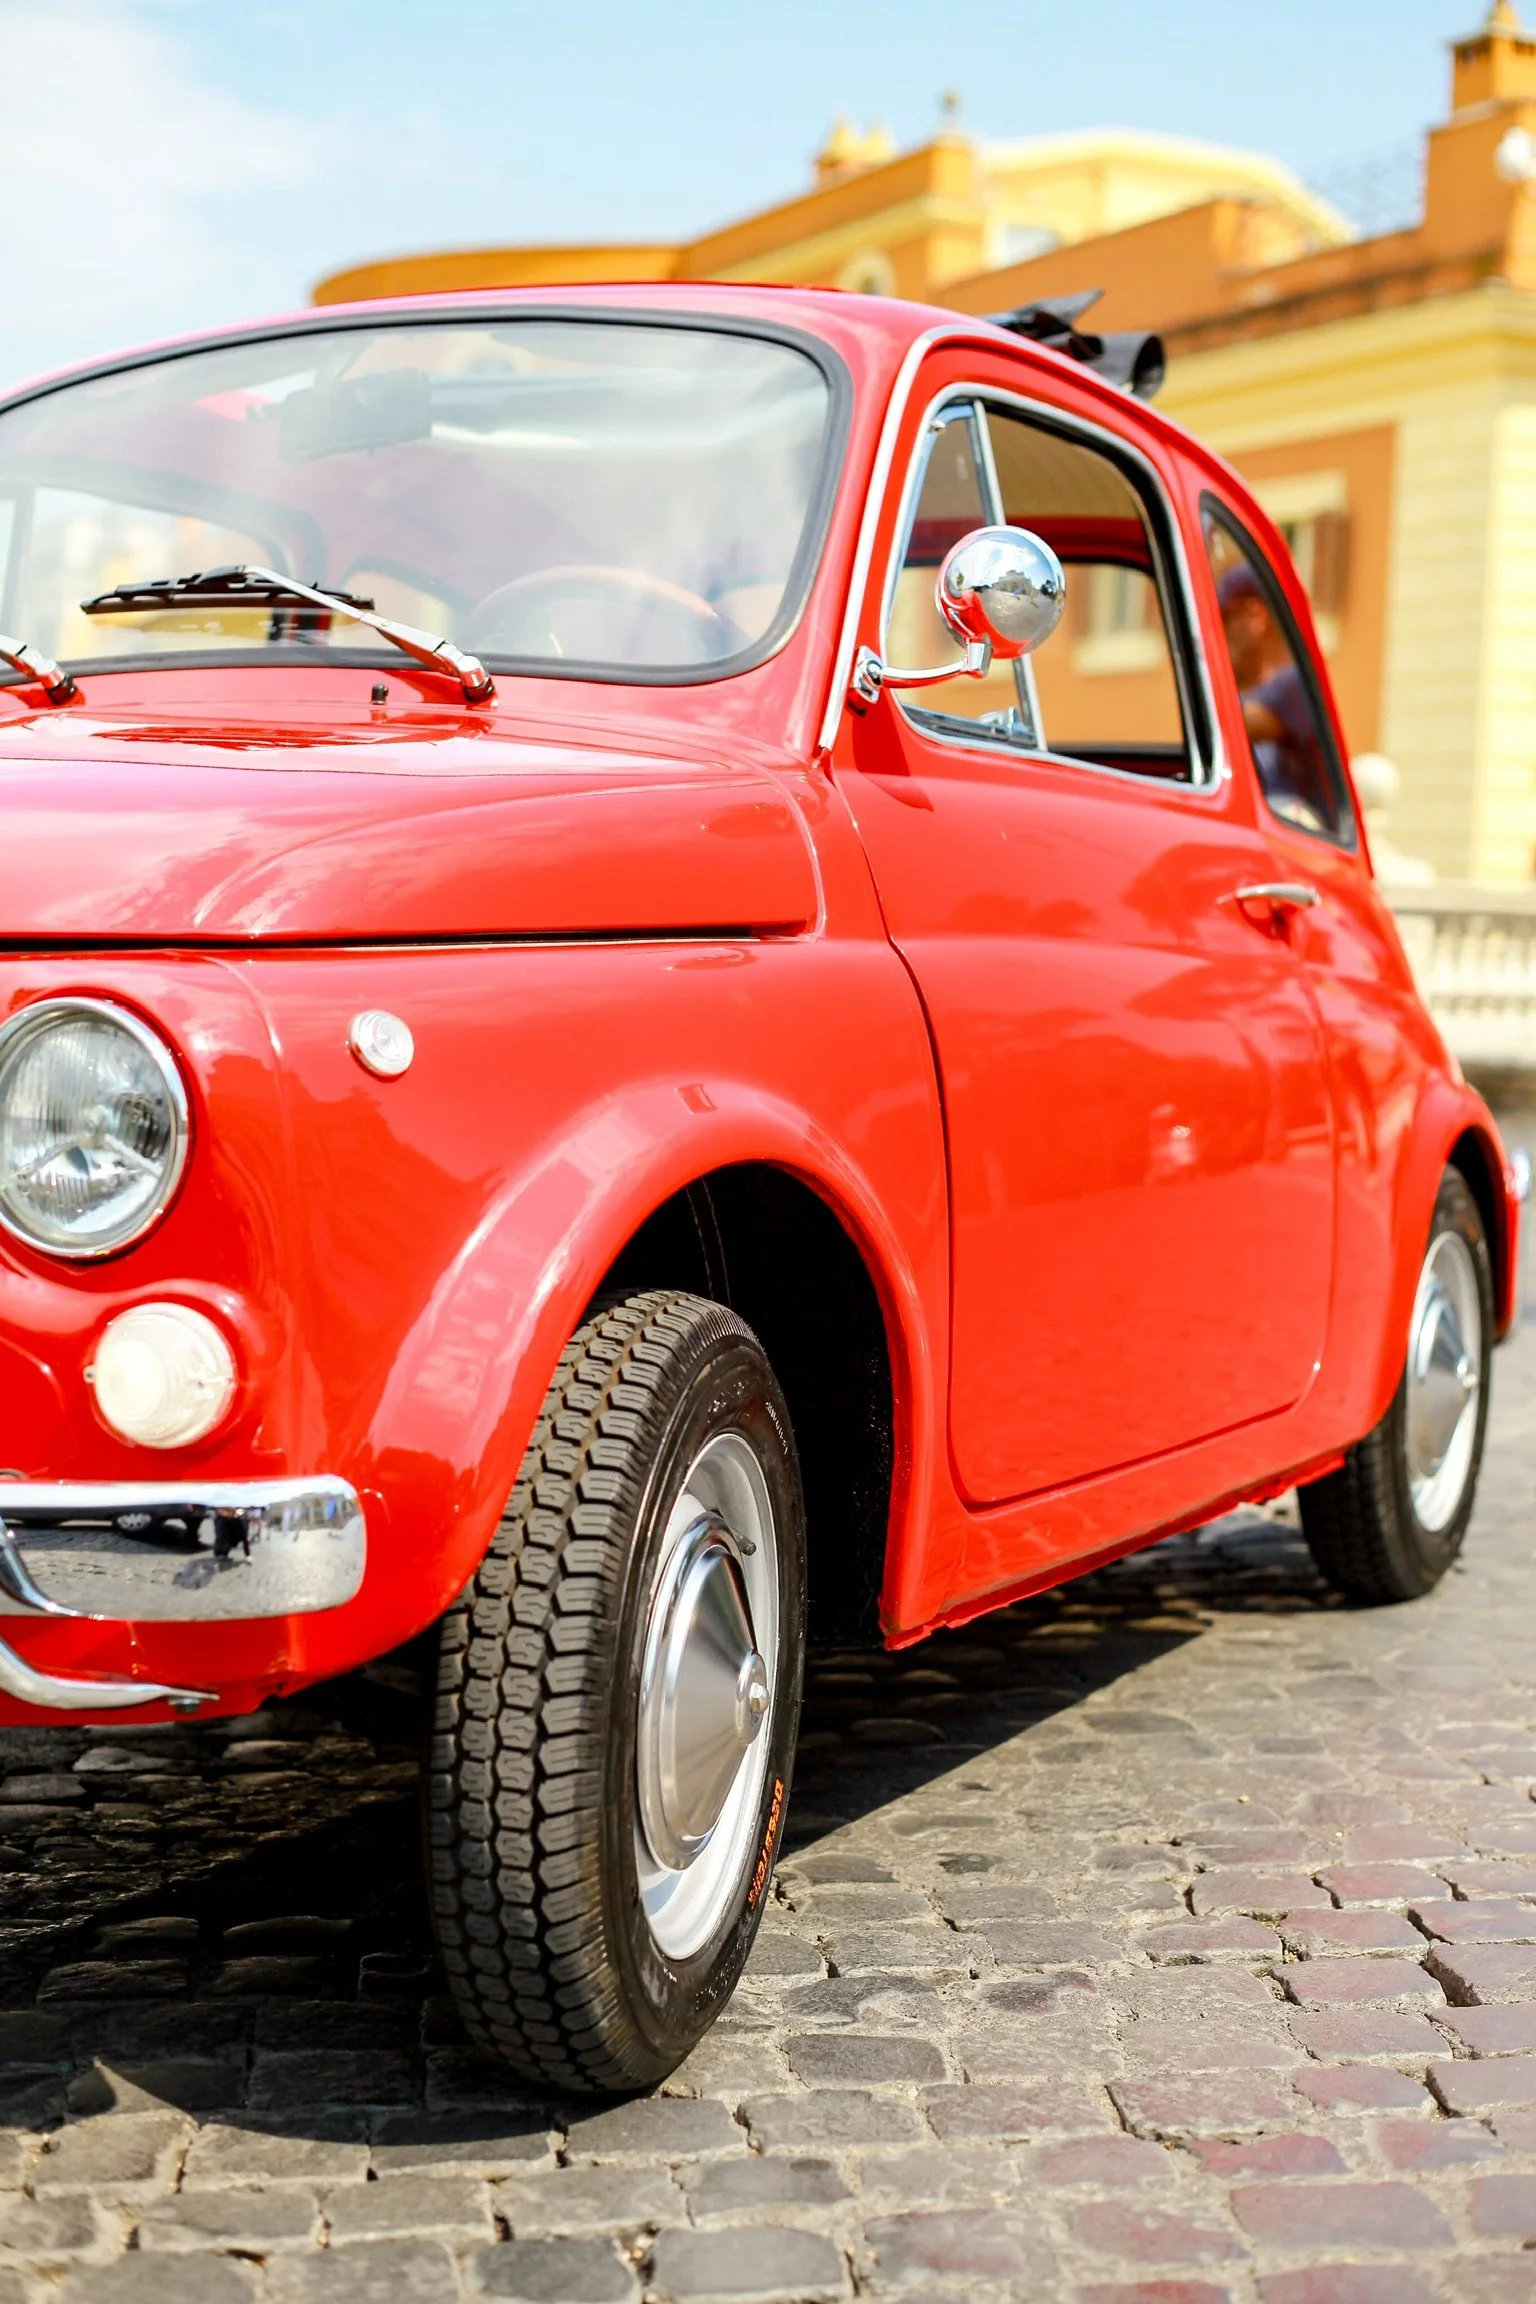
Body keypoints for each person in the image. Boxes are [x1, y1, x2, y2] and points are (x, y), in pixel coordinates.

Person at [1216, 560, 1333, 835]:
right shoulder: (1270, 690)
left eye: (1223, 618)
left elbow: (1222, 732)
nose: (1218, 633)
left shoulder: (1294, 684)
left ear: (1253, 616)